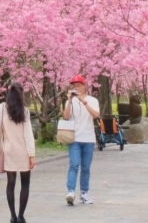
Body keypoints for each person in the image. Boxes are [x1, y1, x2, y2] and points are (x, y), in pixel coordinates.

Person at [0, 82, 36, 223]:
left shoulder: (1, 109)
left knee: (10, 183)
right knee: (25, 183)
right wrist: (31, 154)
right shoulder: (24, 111)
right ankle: (21, 216)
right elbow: (28, 134)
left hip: (8, 150)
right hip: (23, 151)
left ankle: (12, 216)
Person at [63, 75, 100, 205]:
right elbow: (66, 117)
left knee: (85, 167)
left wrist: (84, 102)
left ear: (84, 86)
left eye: (79, 85)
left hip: (88, 138)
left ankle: (84, 193)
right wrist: (69, 101)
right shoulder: (70, 101)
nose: (76, 88)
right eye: (74, 86)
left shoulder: (92, 100)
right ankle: (71, 192)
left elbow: (96, 115)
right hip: (74, 138)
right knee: (73, 165)